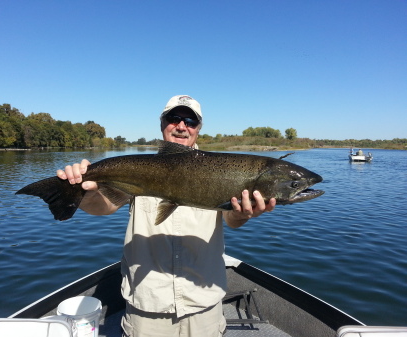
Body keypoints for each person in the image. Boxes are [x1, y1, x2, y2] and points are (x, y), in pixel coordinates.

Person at [57, 95, 276, 337]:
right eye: (174, 118)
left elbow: (231, 220)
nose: (182, 126)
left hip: (203, 303)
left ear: (198, 129)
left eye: (190, 121)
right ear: (162, 123)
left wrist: (244, 214)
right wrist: (84, 191)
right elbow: (104, 206)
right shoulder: (142, 167)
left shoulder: (222, 170)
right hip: (147, 304)